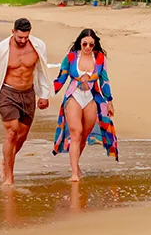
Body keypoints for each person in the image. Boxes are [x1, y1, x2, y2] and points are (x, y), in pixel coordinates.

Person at [0, 17, 51, 186]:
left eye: (26, 37)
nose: (23, 40)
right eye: (20, 37)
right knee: (12, 131)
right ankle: (9, 177)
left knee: (22, 136)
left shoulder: (38, 46)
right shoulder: (1, 49)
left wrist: (44, 95)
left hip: (28, 94)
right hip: (7, 93)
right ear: (13, 32)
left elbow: (41, 71)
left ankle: (6, 161)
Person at [51, 28, 119, 182]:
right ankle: (74, 173)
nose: (88, 47)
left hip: (91, 98)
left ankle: (76, 165)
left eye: (91, 44)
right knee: (76, 133)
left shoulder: (100, 58)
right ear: (79, 43)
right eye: (85, 44)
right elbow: (61, 78)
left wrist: (109, 101)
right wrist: (46, 94)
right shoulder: (70, 57)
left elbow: (104, 80)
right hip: (74, 96)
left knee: (83, 136)